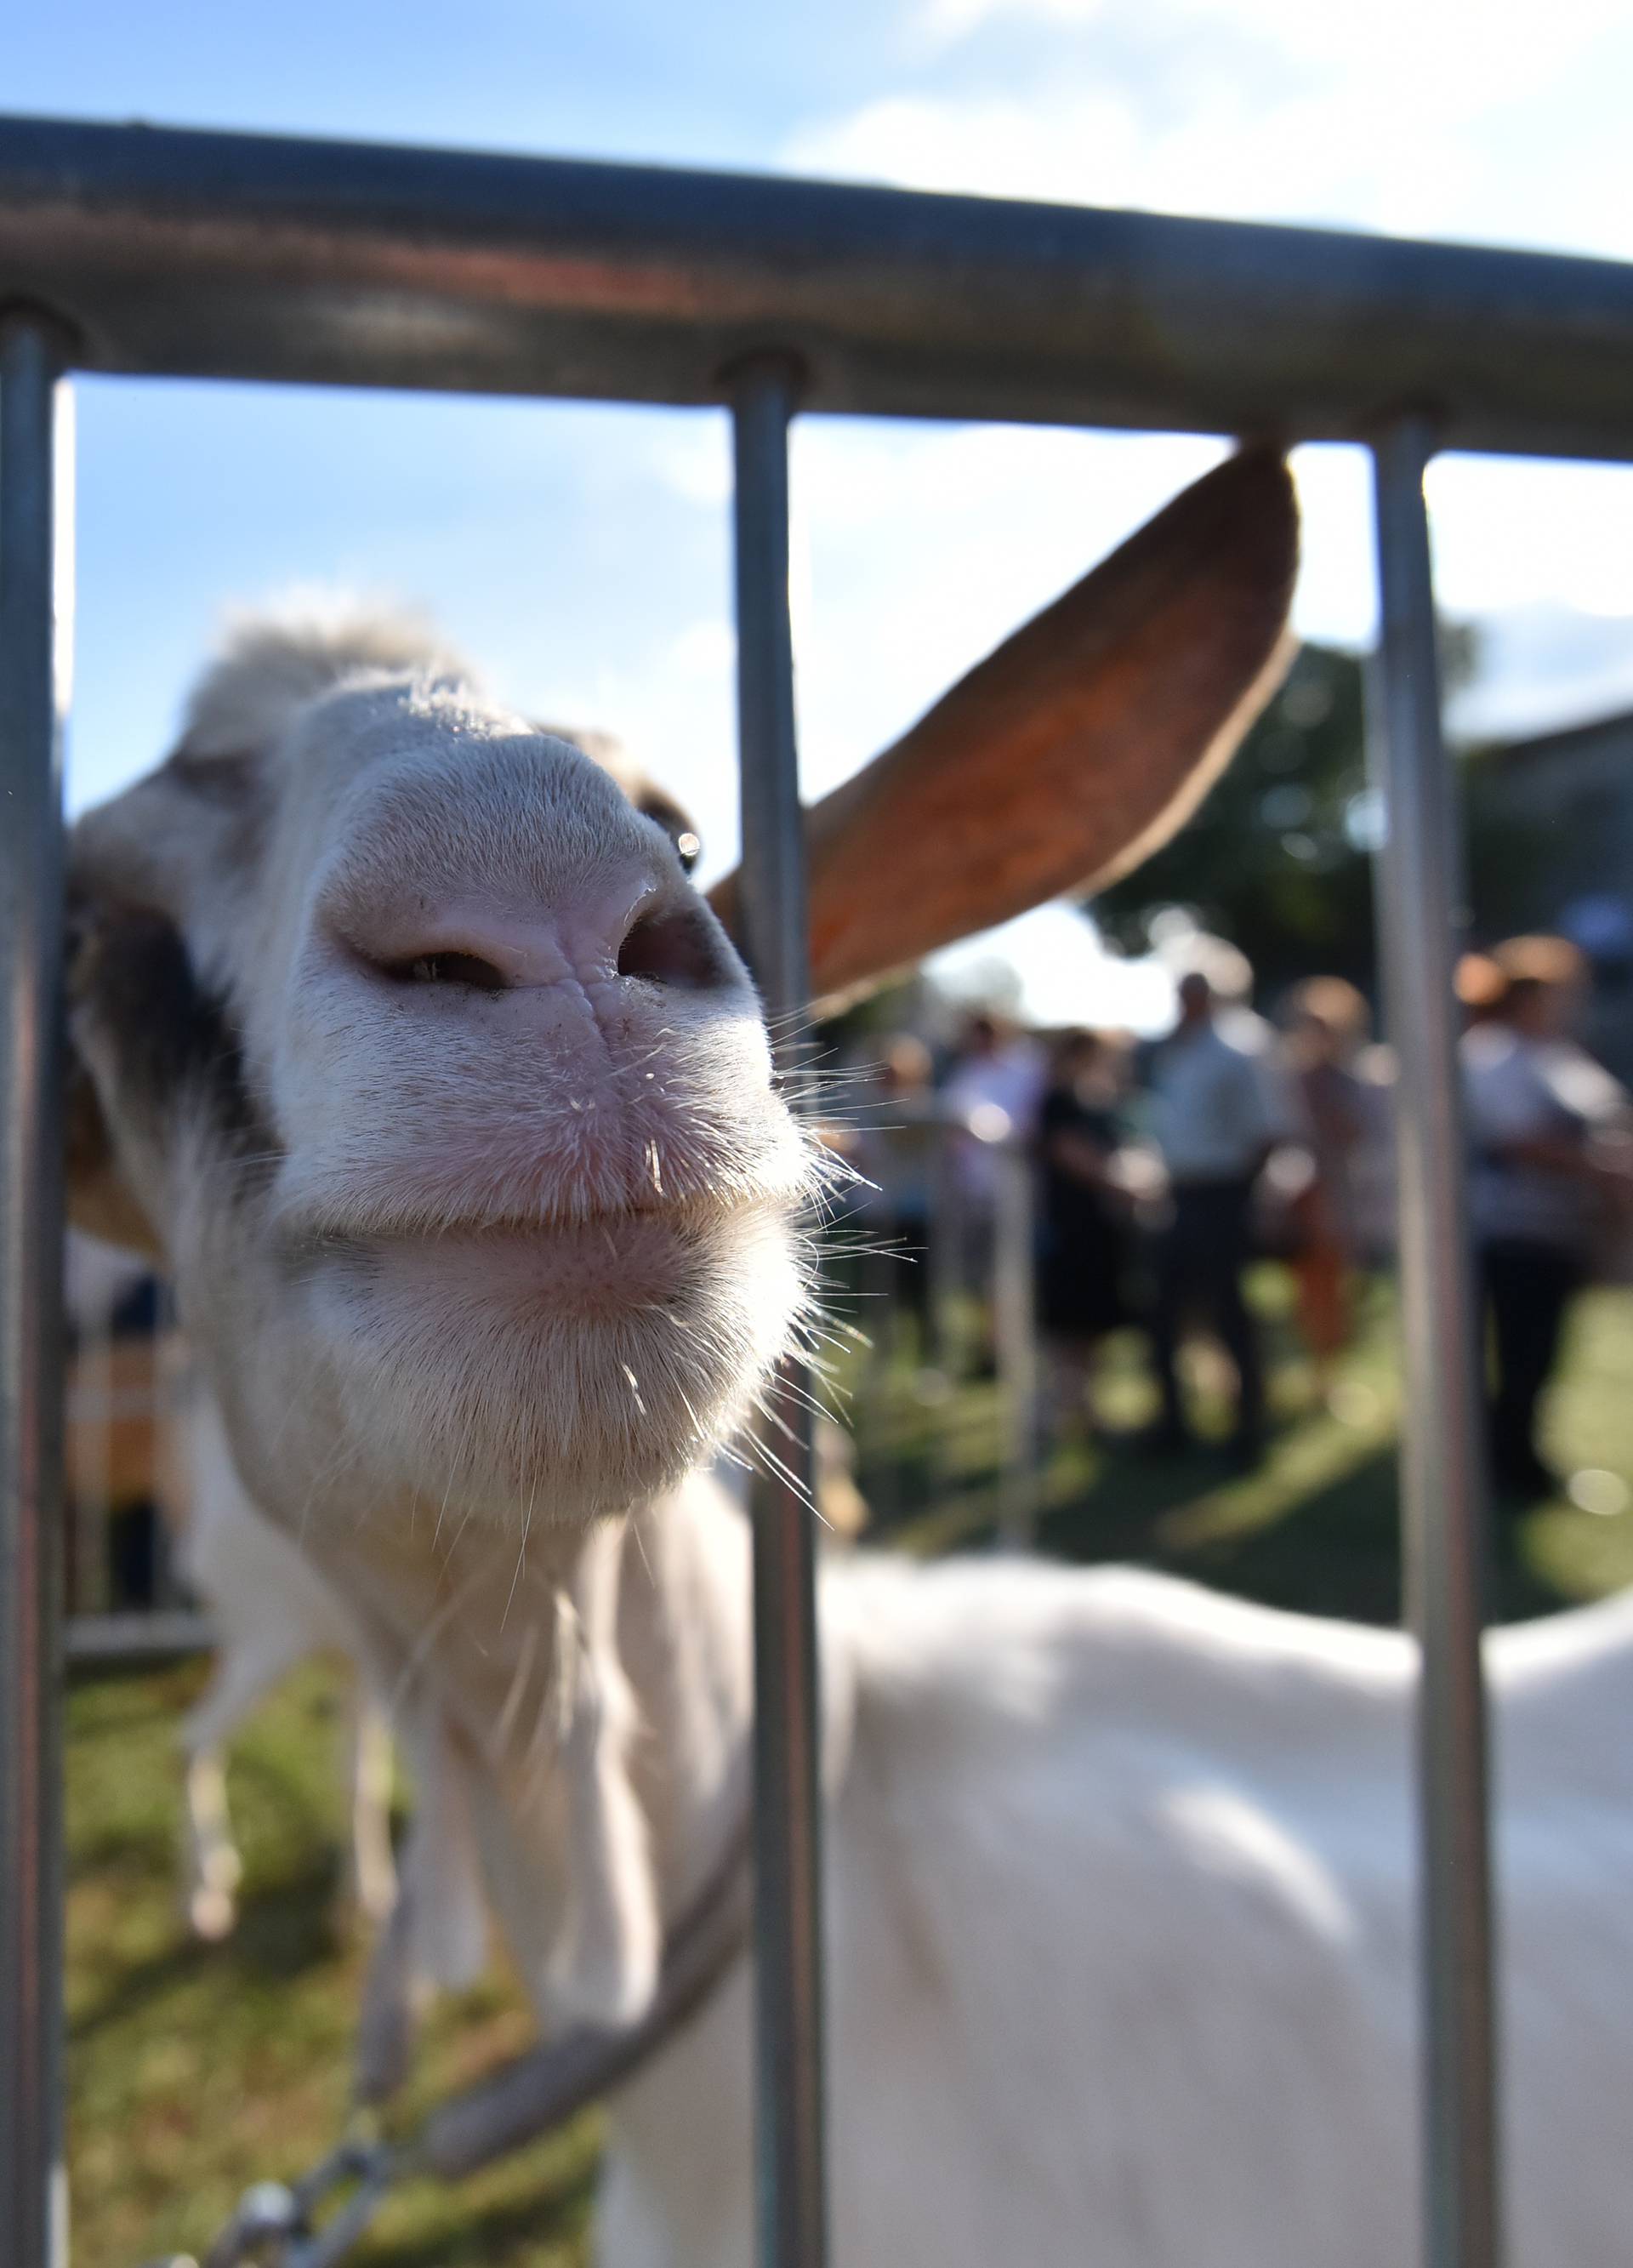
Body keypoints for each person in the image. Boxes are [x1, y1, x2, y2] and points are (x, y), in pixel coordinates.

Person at [1463, 936, 1631, 1500]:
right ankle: (1506, 1467)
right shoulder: (1492, 1054)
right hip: (1512, 1229)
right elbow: (1515, 1141)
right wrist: (1594, 1166)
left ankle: (1523, 1455)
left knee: (1541, 1353)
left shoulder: (1556, 1053)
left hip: (1560, 1230)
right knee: (1519, 1351)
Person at [1145, 971, 1282, 1464]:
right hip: (1181, 1192)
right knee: (1164, 1311)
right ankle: (1173, 1422)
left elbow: (1268, 1131)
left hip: (1223, 1193)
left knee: (1229, 1314)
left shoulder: (1241, 1049)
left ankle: (1247, 1428)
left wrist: (1242, 1193)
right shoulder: (1178, 1052)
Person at [1033, 1029, 1130, 1440]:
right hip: (1071, 1228)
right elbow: (1071, 1155)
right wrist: (1122, 1182)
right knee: (1069, 1328)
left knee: (1091, 1328)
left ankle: (1082, 1409)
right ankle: (1061, 1413)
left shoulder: (1099, 1099)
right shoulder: (1059, 1101)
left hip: (1098, 1227)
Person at [1280, 977, 1372, 1394]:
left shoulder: (1352, 1075)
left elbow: (1358, 1132)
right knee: (1309, 1285)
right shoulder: (1290, 1076)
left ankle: (1329, 1373)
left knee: (1342, 1285)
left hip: (1342, 1191)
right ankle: (1316, 1371)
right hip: (1301, 1194)